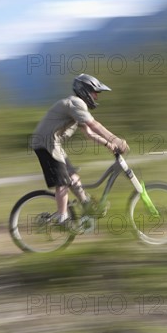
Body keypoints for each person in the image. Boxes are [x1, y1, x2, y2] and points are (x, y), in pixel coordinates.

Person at [30, 73, 130, 225]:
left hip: (53, 144)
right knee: (63, 182)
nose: (96, 97)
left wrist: (109, 145)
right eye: (95, 93)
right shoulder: (76, 103)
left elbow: (89, 134)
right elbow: (94, 125)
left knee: (74, 178)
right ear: (85, 91)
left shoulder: (78, 108)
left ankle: (87, 207)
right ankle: (62, 218)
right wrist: (115, 139)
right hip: (46, 143)